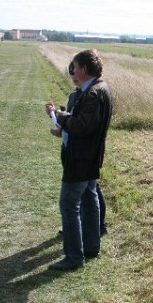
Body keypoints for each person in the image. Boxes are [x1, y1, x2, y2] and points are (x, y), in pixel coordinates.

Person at [45, 50, 113, 270]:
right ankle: (91, 247)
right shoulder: (99, 89)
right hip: (89, 158)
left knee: (69, 205)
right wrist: (60, 116)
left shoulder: (93, 93)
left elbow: (81, 126)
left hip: (80, 159)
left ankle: (74, 257)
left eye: (74, 66)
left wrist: (61, 117)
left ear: (84, 69)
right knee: (89, 199)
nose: (72, 71)